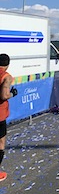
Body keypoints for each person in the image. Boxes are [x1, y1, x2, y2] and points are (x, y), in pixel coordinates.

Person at [0, 53, 18, 181]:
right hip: (0, 115)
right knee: (1, 142)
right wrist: (12, 93)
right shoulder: (6, 76)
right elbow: (3, 96)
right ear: (7, 65)